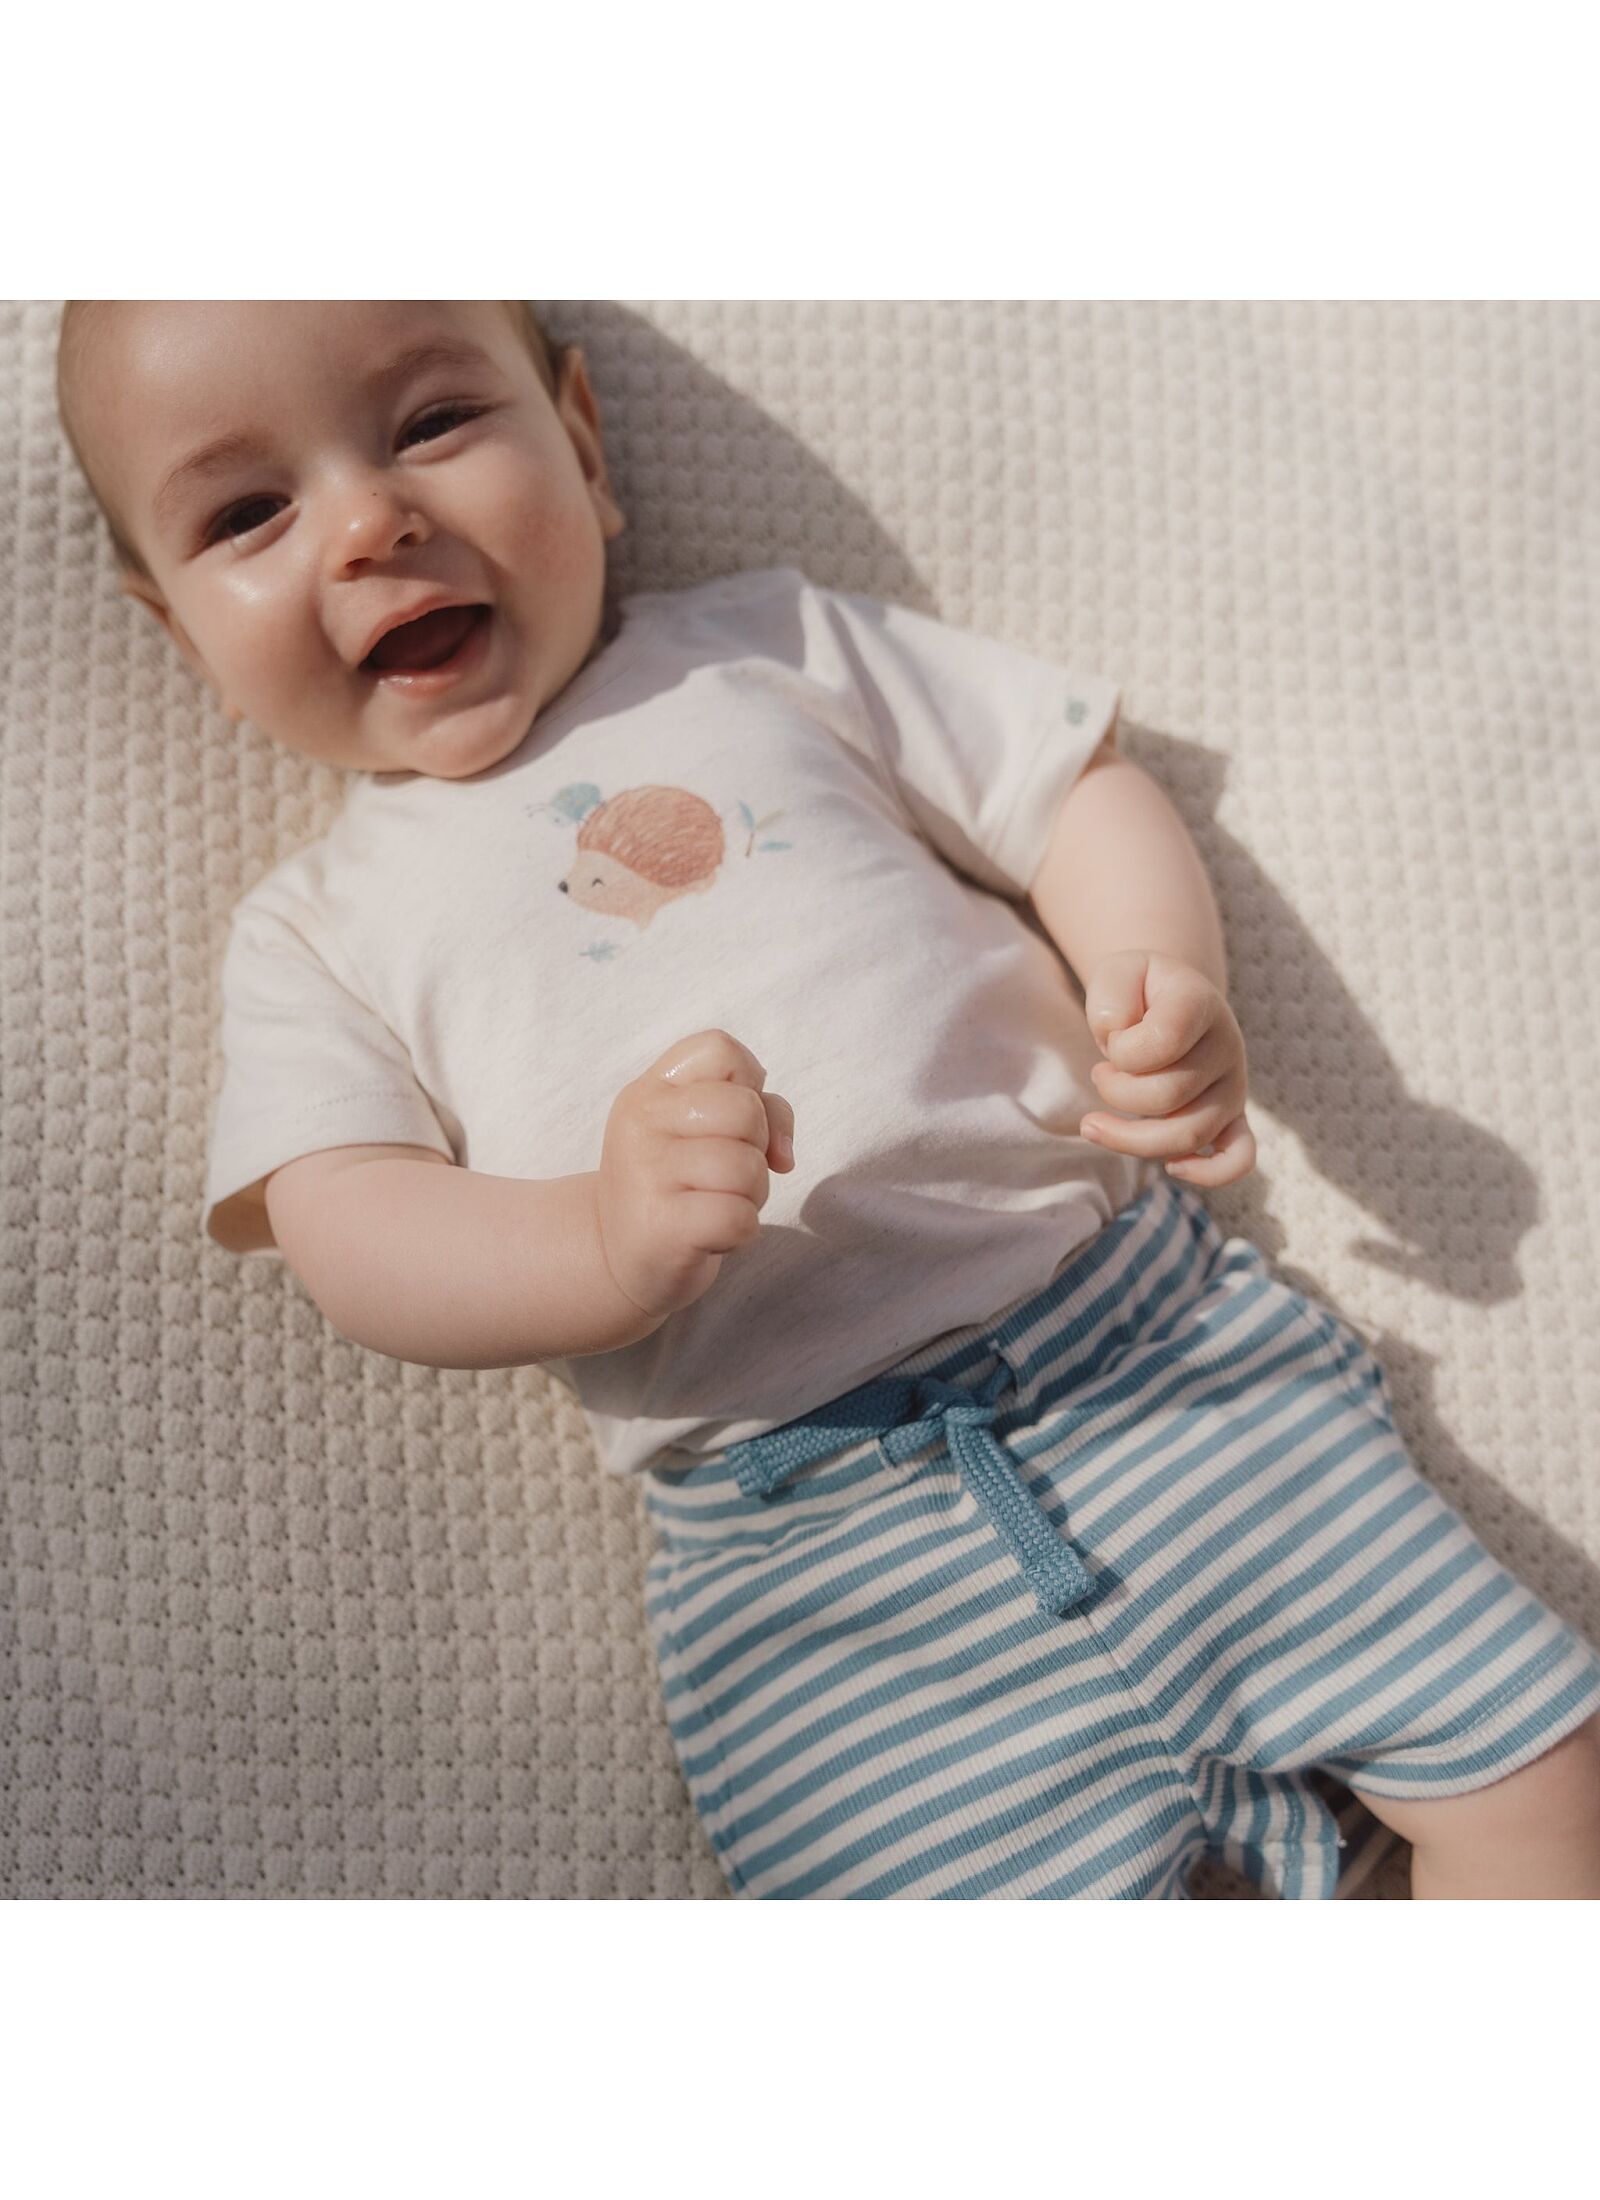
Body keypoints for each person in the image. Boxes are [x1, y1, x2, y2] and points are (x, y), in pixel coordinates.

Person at [56, 298, 1600, 1899]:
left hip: (1152, 1362)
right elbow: (347, 1220)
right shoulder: (316, 932)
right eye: (248, 513)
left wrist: (1158, 974)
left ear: (582, 447)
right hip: (812, 1574)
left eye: (432, 423)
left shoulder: (768, 648)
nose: (373, 520)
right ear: (180, 633)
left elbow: (1065, 780)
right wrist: (594, 1241)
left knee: (1532, 1771)